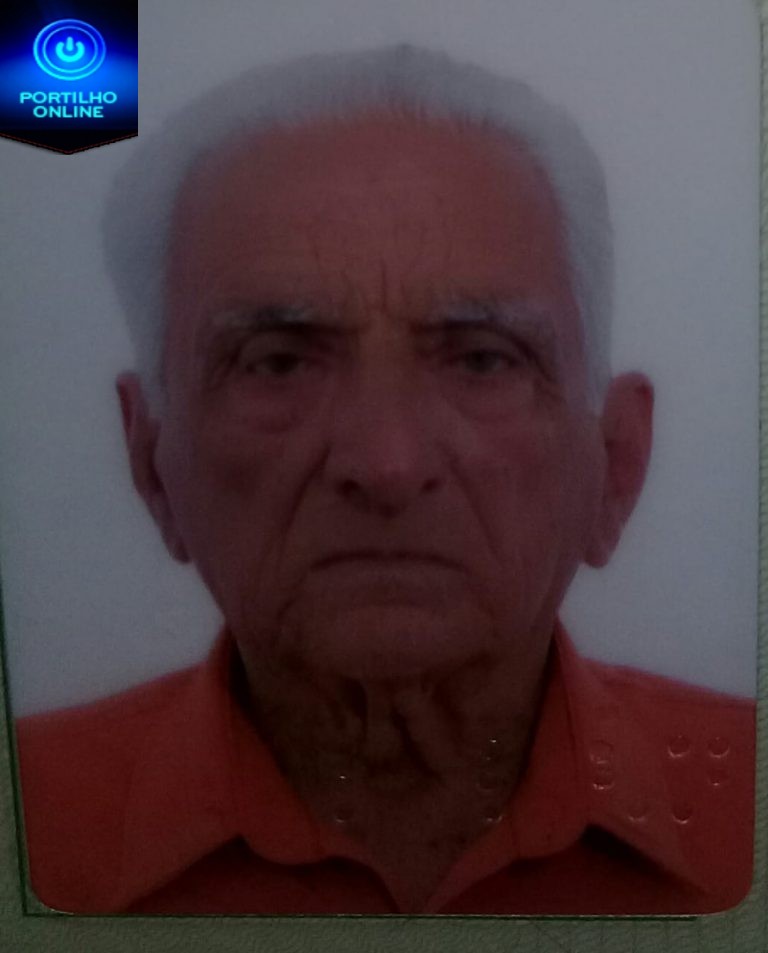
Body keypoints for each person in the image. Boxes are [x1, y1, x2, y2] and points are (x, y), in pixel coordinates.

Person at [15, 44, 754, 916]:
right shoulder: (32, 821)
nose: (386, 462)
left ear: (617, 466)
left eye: (483, 359)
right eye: (278, 362)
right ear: (151, 465)